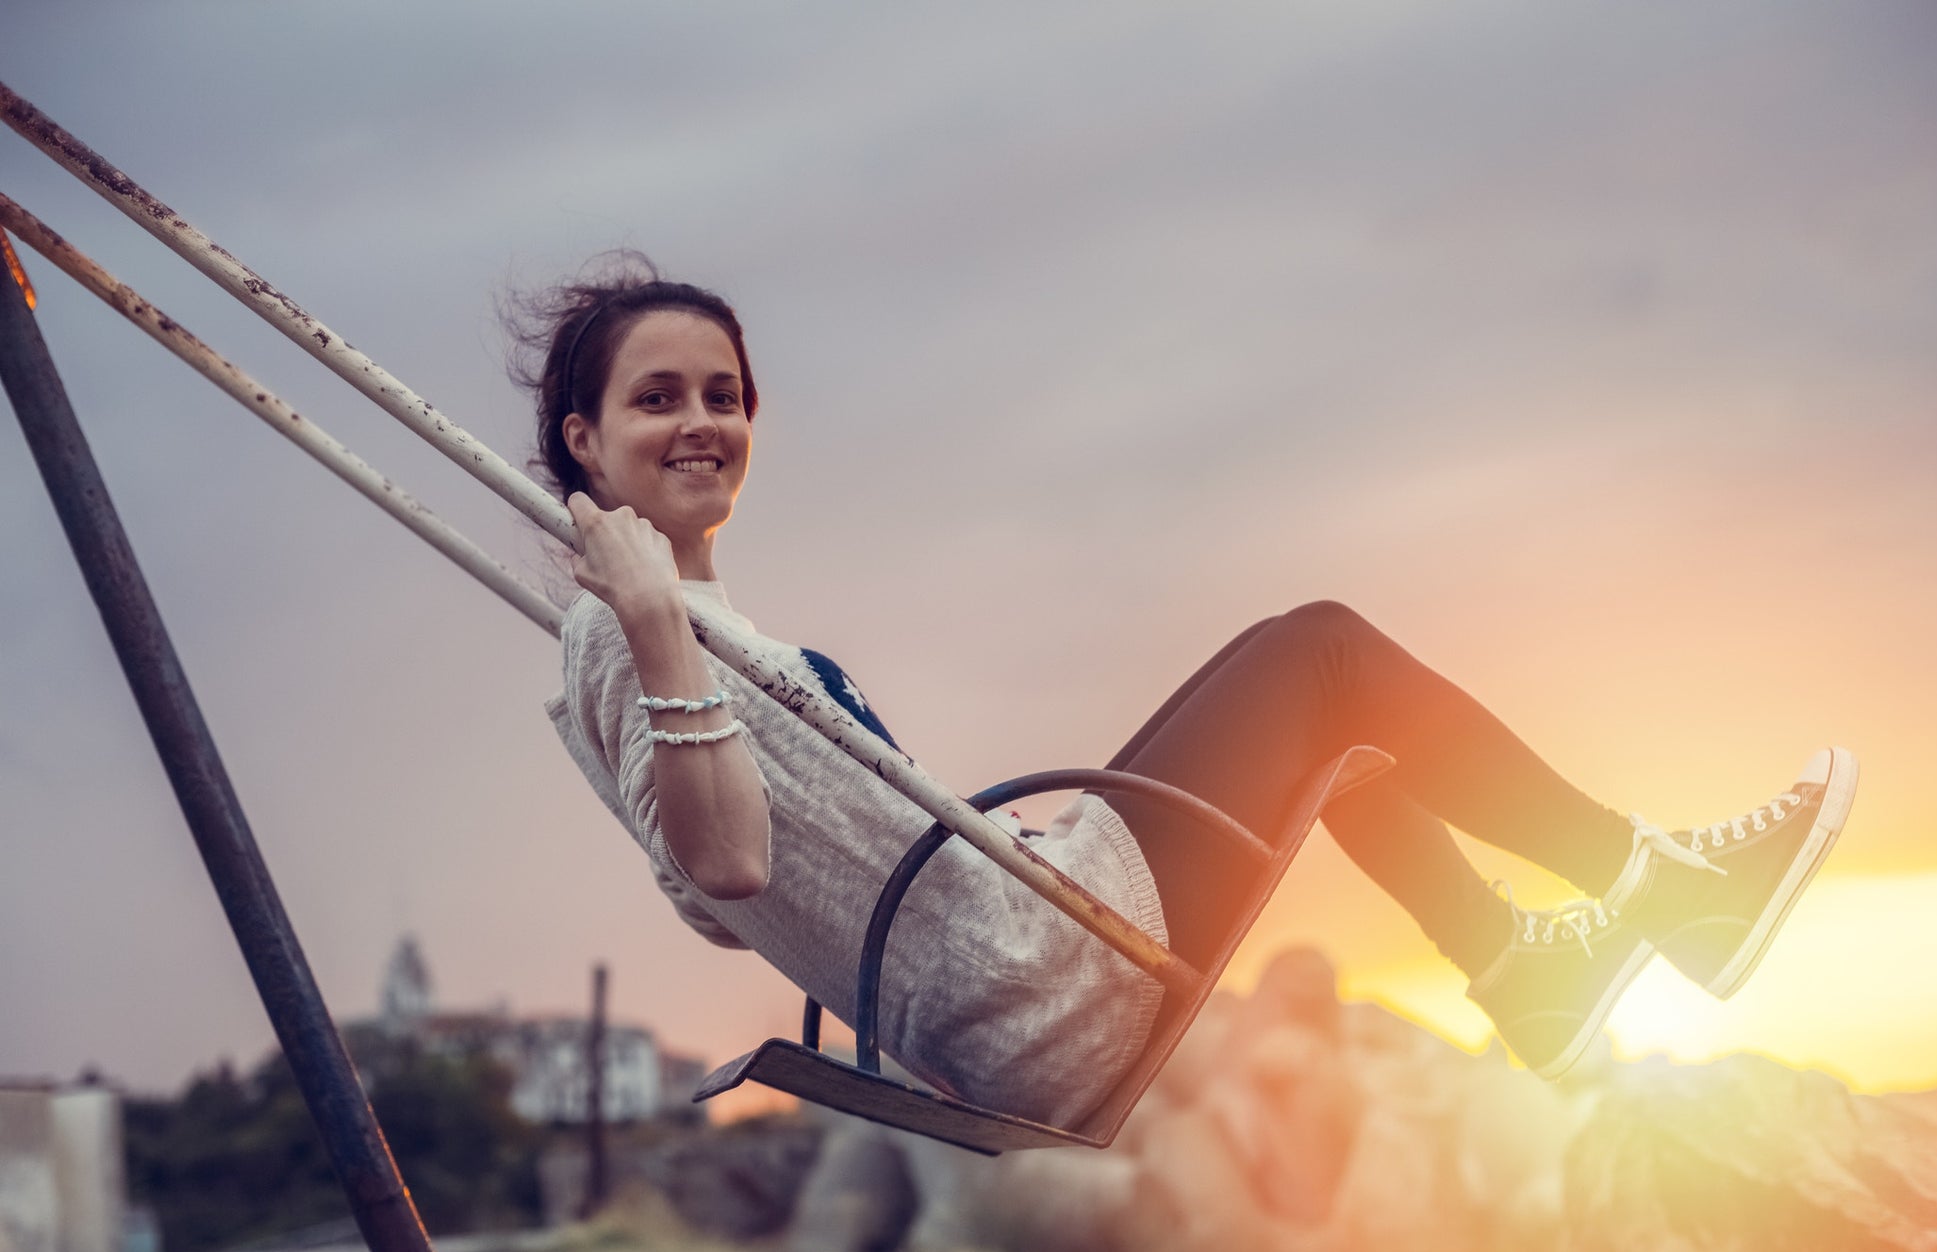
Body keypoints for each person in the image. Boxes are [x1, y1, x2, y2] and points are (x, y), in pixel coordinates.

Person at [518, 259, 1857, 1127]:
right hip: (1038, 980)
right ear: (585, 437)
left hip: (1015, 956)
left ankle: (1525, 974)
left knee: (1330, 716)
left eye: (724, 393)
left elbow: (711, 889)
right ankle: (1661, 885)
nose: (703, 419)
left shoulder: (677, 628)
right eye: (657, 399)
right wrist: (648, 621)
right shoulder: (626, 631)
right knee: (1325, 656)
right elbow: (728, 860)